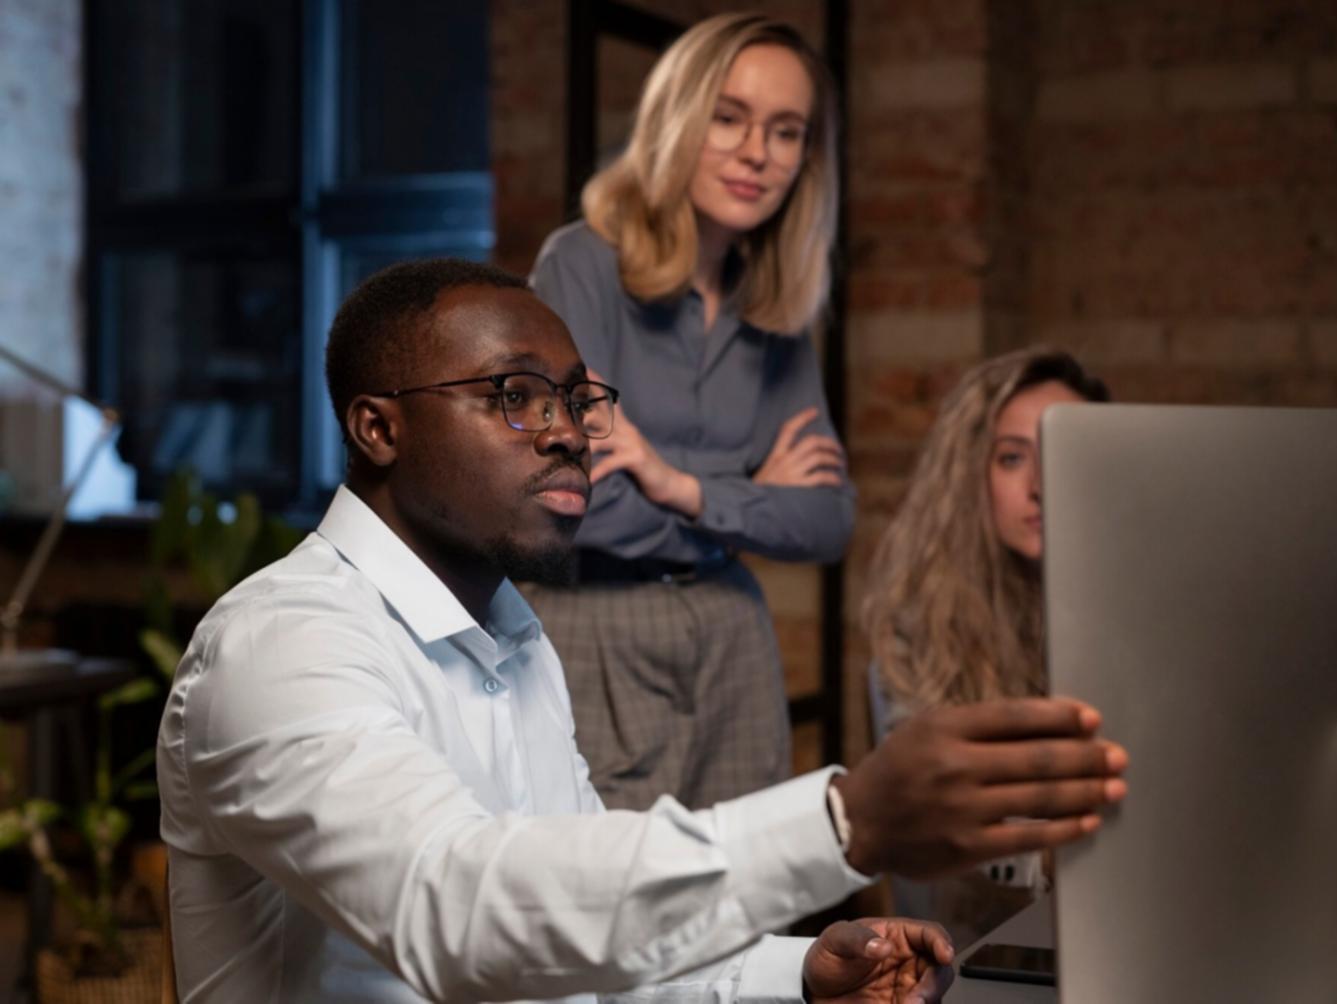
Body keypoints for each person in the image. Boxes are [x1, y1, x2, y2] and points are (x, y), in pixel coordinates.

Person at [157, 262, 1128, 1002]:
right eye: (515, 395)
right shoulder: (280, 644)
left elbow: (580, 929)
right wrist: (845, 820)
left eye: (578, 398)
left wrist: (793, 973)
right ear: (377, 428)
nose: (570, 430)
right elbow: (455, 908)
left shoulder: (516, 639)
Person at [528, 12, 850, 811]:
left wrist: (679, 485)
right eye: (728, 117)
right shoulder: (582, 264)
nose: (756, 153)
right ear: (677, 119)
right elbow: (571, 506)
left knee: (744, 908)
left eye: (785, 131)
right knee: (612, 913)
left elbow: (829, 522)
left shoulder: (774, 306)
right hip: (593, 625)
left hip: (734, 641)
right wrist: (747, 493)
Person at [863, 349, 1111, 945]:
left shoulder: (1136, 607)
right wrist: (1050, 855)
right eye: (1011, 457)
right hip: (982, 944)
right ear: (971, 473)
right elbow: (931, 824)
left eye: (1064, 455)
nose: (1039, 486)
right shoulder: (920, 622)